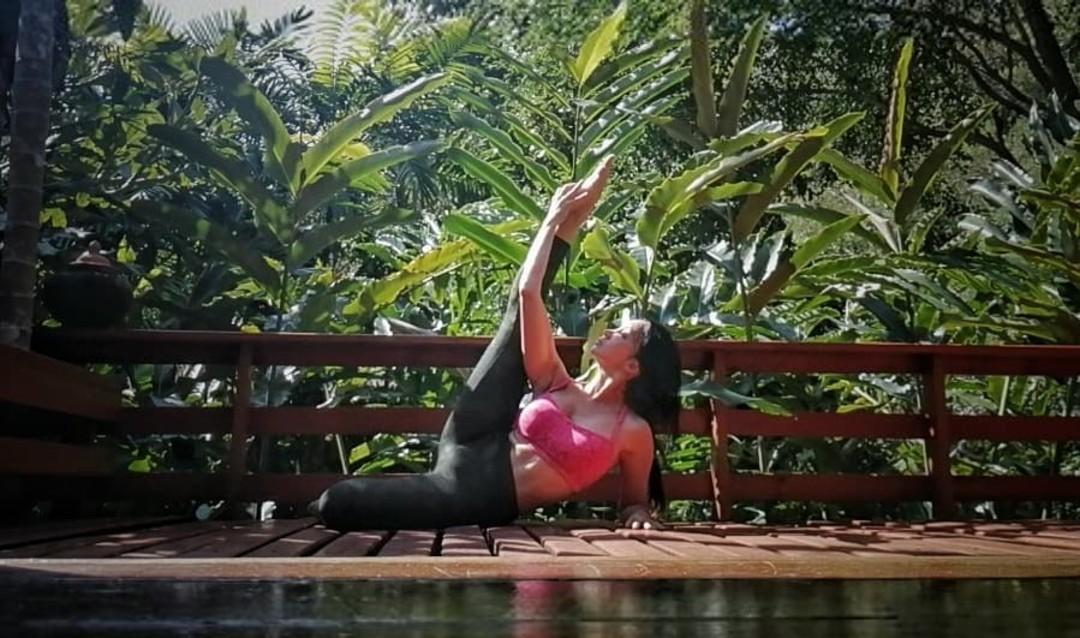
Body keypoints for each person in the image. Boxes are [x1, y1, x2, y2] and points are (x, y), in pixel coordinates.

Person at [312, 156, 682, 531]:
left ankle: (324, 505)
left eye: (623, 334)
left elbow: (634, 503)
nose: (609, 331)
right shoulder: (556, 382)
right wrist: (557, 218)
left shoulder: (632, 430)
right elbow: (527, 294)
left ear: (633, 366)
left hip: (474, 495)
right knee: (516, 318)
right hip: (474, 434)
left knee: (337, 503)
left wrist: (638, 514)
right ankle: (575, 219)